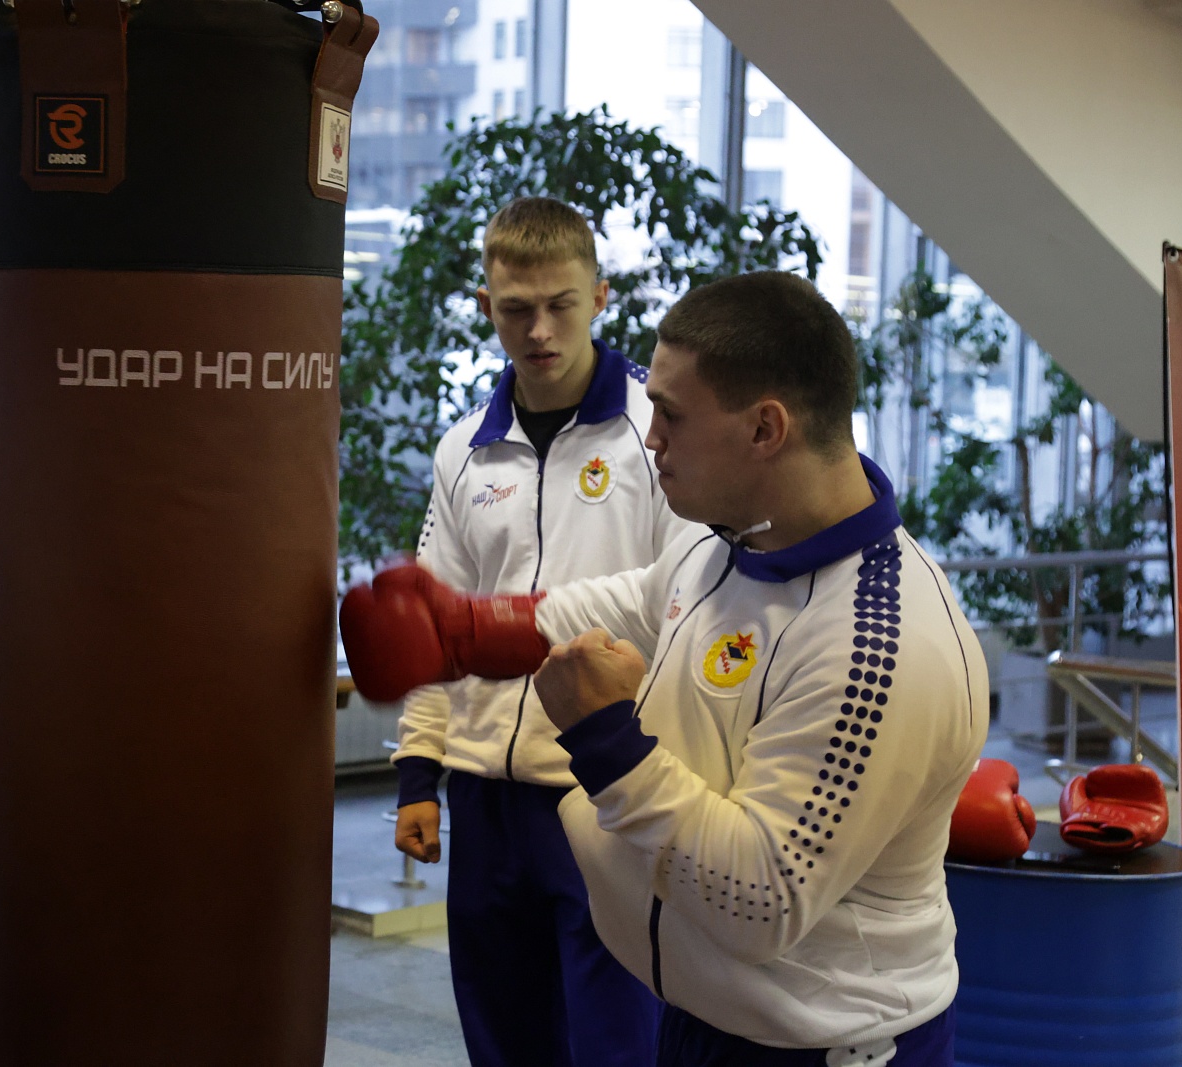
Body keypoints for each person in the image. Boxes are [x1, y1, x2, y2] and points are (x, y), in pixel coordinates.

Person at [341, 271, 991, 1066]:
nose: (651, 440)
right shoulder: (732, 542)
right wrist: (466, 631)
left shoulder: (878, 646)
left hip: (818, 1046)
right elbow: (630, 602)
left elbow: (760, 899)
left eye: (672, 416)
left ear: (765, 428)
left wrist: (608, 739)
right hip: (701, 1018)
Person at [386, 196, 695, 1067]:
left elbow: (686, 599)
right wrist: (418, 772)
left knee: (615, 1041)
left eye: (561, 304)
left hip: (607, 786)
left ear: (599, 296)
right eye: (517, 309)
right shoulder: (464, 450)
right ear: (487, 306)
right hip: (486, 794)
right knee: (503, 1039)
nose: (540, 330)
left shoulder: (654, 435)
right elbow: (440, 621)